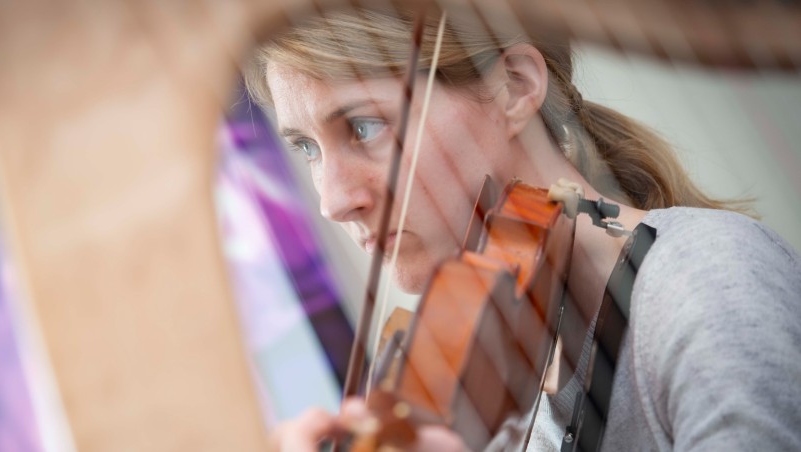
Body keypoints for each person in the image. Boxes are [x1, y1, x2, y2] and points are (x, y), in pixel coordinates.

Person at [243, 6, 801, 451]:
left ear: (514, 86)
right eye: (306, 147)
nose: (333, 201)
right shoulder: (505, 376)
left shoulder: (704, 281)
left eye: (364, 126)